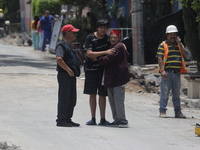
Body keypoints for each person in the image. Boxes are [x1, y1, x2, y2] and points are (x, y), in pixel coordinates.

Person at [84, 19, 114, 126]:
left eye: (105, 28)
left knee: (102, 94)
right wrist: (105, 53)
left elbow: (112, 53)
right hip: (91, 70)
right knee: (92, 94)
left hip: (103, 70)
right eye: (101, 27)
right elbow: (89, 54)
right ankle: (92, 118)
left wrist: (100, 57)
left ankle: (103, 119)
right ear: (97, 28)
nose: (103, 29)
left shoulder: (108, 38)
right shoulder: (90, 38)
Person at [99, 30, 130, 128]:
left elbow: (108, 58)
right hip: (111, 78)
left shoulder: (119, 46)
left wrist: (99, 58)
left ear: (119, 38)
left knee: (118, 100)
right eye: (111, 37)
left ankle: (123, 120)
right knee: (112, 101)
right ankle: (116, 119)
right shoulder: (112, 47)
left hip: (118, 78)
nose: (112, 39)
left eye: (115, 37)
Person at [156, 25, 188, 118]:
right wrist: (162, 71)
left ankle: (178, 112)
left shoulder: (179, 45)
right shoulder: (163, 45)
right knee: (165, 93)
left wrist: (180, 44)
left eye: (174, 34)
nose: (173, 36)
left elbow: (185, 55)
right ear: (167, 35)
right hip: (167, 73)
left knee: (176, 94)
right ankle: (162, 111)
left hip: (177, 73)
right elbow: (159, 58)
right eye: (171, 34)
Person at [55, 24, 81, 127]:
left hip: (71, 75)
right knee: (64, 97)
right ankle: (61, 119)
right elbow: (59, 59)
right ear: (67, 33)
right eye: (73, 32)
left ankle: (68, 118)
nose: (75, 34)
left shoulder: (70, 45)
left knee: (71, 98)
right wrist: (68, 70)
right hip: (64, 75)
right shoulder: (61, 45)